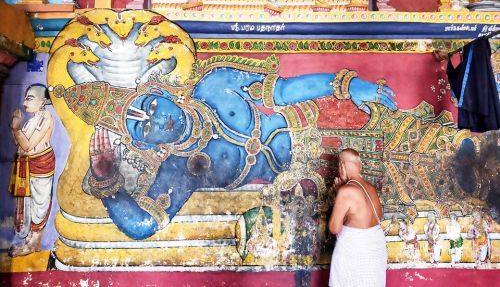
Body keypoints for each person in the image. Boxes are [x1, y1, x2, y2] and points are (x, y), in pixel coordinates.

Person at [53, 66, 396, 240]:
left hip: (327, 125)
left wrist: (349, 86)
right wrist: (107, 181)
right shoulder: (179, 172)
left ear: (160, 91)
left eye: (151, 104)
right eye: (144, 128)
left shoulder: (215, 84)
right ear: (145, 145)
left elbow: (286, 90)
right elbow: (143, 225)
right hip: (309, 183)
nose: (158, 119)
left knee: (414, 140)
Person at [328, 148, 387, 287]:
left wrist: (339, 193)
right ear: (359, 165)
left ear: (342, 166)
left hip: (355, 251)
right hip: (375, 249)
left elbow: (334, 228)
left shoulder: (346, 191)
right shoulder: (371, 188)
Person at [8, 84, 55, 257]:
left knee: (38, 205)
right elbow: (19, 144)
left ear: (42, 101)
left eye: (29, 98)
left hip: (40, 164)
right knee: (28, 204)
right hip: (28, 163)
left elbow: (27, 145)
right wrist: (16, 129)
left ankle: (33, 243)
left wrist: (15, 128)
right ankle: (29, 241)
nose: (24, 101)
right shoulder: (32, 119)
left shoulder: (45, 118)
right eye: (25, 97)